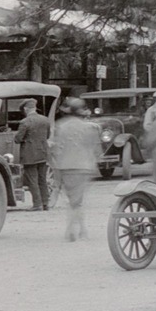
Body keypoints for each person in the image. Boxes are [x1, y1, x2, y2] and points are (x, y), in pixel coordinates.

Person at [50, 96, 102, 242]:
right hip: (84, 166)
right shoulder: (90, 127)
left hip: (66, 166)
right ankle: (75, 230)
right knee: (77, 200)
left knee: (73, 200)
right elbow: (97, 150)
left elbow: (56, 149)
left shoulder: (61, 126)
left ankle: (77, 230)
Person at [15, 98, 53, 210]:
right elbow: (48, 136)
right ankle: (45, 203)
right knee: (42, 179)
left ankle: (37, 204)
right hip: (43, 153)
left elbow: (18, 139)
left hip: (29, 155)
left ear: (25, 109)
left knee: (32, 180)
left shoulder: (24, 122)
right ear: (35, 108)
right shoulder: (45, 120)